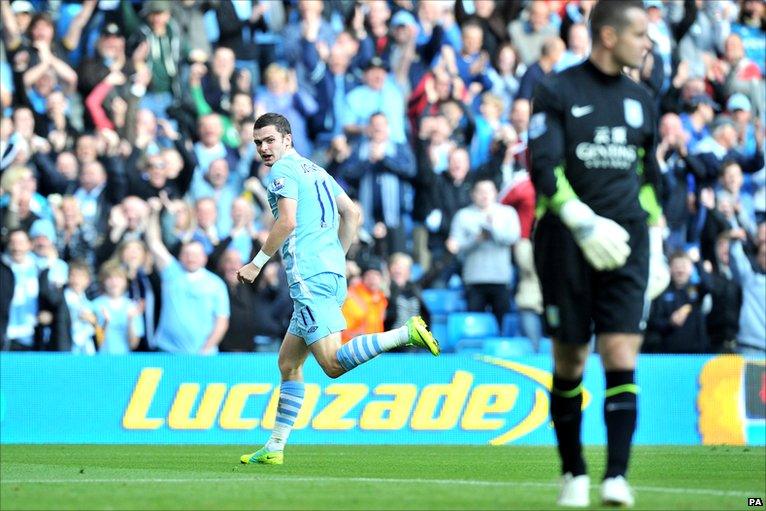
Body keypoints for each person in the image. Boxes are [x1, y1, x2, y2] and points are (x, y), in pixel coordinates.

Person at [235, 113, 439, 466]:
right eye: (257, 143)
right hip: (328, 272)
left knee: (330, 363)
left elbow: (287, 221)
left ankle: (405, 333)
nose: (264, 148)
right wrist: (336, 257)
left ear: (287, 138)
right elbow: (354, 214)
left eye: (269, 140)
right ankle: (275, 447)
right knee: (288, 362)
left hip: (309, 277)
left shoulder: (282, 172)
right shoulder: (316, 170)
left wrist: (257, 262)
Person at [528, 1, 669, 507]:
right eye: (639, 33)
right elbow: (543, 164)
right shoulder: (556, 89)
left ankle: (616, 477)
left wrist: (654, 233)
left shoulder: (642, 98)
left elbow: (650, 175)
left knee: (620, 353)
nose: (646, 43)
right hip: (567, 239)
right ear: (608, 36)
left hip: (627, 240)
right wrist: (580, 219)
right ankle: (573, 472)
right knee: (569, 358)